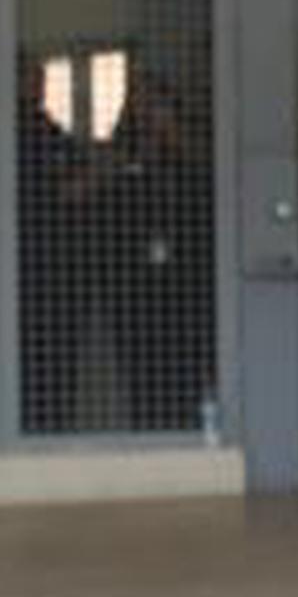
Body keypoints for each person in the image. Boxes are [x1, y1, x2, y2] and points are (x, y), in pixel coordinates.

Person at [100, 73, 215, 433]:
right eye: (139, 102)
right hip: (133, 282)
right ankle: (148, 437)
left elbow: (213, 171)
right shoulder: (120, 148)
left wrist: (171, 135)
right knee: (141, 369)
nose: (147, 109)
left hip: (187, 279)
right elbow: (103, 185)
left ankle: (191, 433)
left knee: (186, 364)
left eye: (155, 101)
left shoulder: (193, 140)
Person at [17, 59, 94, 434]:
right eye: (33, 80)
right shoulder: (11, 129)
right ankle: (34, 435)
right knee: (38, 359)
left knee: (58, 359)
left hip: (62, 265)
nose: (40, 88)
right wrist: (60, 192)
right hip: (34, 266)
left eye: (42, 81)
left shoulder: (44, 126)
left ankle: (53, 433)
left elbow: (80, 165)